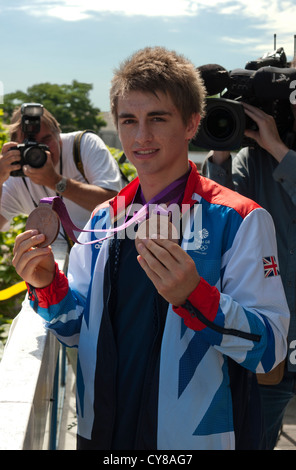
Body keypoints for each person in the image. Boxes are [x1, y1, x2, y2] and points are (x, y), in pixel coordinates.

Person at [12, 47, 289, 450]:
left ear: (193, 122)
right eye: (129, 120)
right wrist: (47, 286)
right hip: (101, 436)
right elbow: (76, 333)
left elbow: (271, 353)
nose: (141, 136)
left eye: (157, 119)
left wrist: (195, 297)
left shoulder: (239, 218)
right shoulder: (105, 220)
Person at [202, 99, 296, 449]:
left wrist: (279, 150)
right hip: (274, 344)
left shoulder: (273, 152)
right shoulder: (252, 161)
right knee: (253, 440)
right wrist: (222, 150)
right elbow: (220, 211)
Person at [0, 106, 122, 242]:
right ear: (15, 147)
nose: (38, 151)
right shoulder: (16, 175)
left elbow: (116, 204)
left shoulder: (83, 146)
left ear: (58, 136)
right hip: (56, 258)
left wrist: (56, 182)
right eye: (28, 146)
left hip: (102, 248)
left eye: (46, 140)